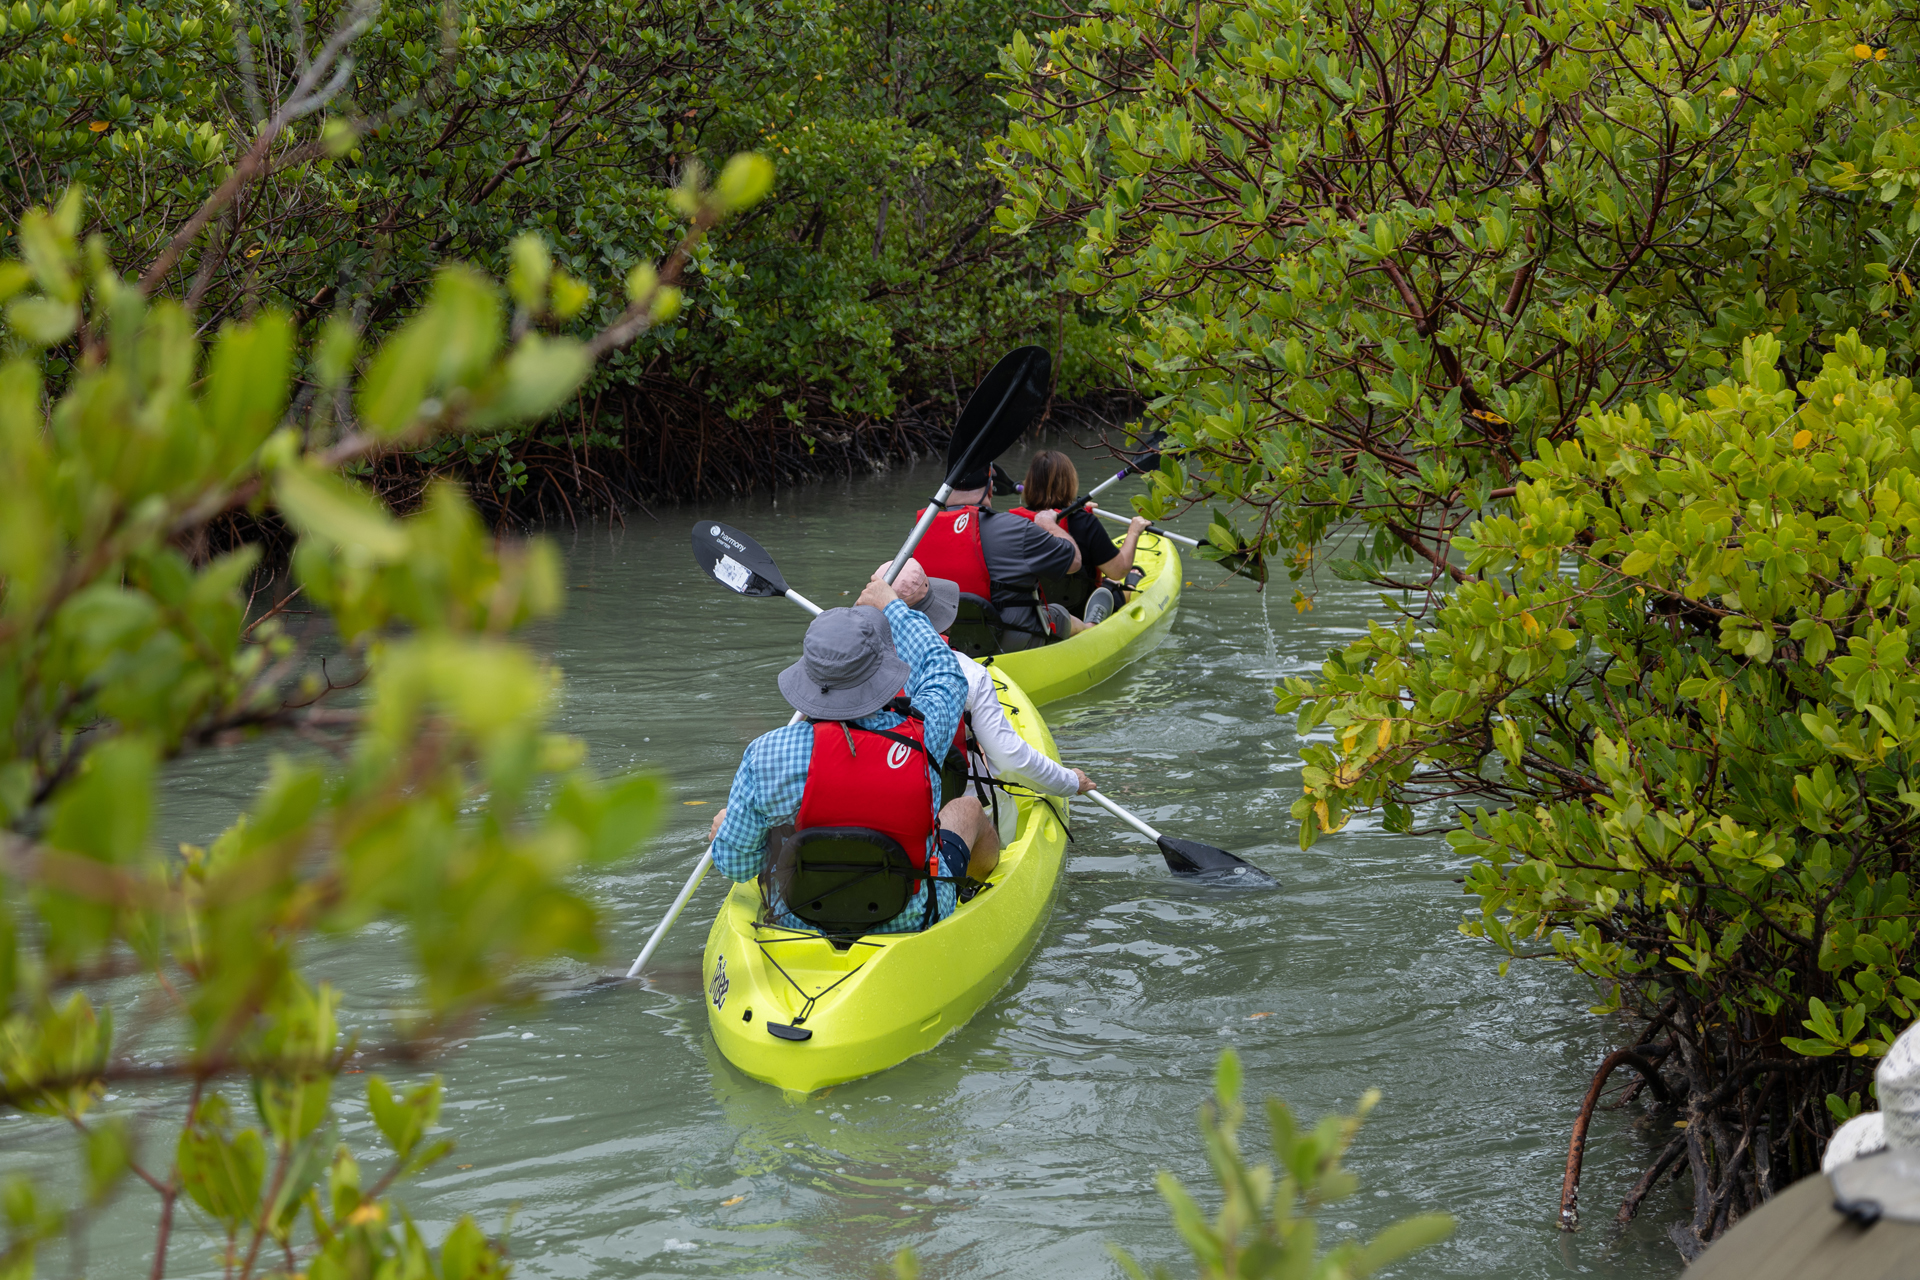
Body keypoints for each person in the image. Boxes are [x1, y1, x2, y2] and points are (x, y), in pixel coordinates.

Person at [704, 576, 996, 934]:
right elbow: (944, 671)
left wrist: (727, 831)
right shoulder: (925, 734)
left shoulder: (767, 754)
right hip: (917, 916)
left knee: (750, 828)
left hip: (799, 919)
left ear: (809, 675)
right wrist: (893, 606)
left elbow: (736, 866)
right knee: (965, 809)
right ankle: (977, 899)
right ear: (883, 672)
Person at [881, 558, 1098, 841]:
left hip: (883, 815)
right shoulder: (968, 673)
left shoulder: (850, 669)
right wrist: (1069, 781)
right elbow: (1010, 760)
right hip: (956, 820)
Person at [910, 461, 1082, 649]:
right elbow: (1074, 562)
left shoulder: (917, 532)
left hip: (941, 643)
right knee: (1060, 613)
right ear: (991, 489)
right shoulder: (1016, 528)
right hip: (1011, 642)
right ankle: (1091, 627)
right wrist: (1048, 523)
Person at [1014, 449, 1152, 624]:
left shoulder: (1013, 522)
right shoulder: (1085, 523)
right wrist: (1134, 531)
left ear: (1031, 483)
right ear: (1070, 482)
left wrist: (1081, 510)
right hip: (1082, 611)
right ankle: (1131, 585)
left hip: (1033, 613)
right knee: (1113, 582)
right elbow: (1119, 570)